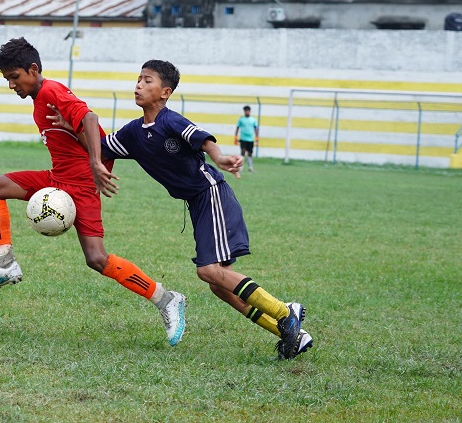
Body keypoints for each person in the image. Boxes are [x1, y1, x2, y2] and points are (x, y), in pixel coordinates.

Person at [53, 60, 311, 359]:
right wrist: (71, 127)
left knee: (209, 271)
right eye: (138, 79)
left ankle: (285, 311)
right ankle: (292, 334)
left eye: (147, 80)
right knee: (218, 284)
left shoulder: (170, 121)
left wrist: (220, 157)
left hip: (210, 194)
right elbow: (99, 147)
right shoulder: (134, 132)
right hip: (198, 203)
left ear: (164, 92)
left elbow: (202, 139)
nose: (138, 85)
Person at [0, 37, 187, 347]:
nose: (11, 85)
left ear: (33, 69)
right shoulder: (38, 99)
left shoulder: (52, 91)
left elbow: (89, 118)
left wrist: (97, 165)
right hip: (56, 178)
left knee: (97, 259)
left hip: (82, 185)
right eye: (7, 79)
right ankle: (5, 263)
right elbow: (80, 130)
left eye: (14, 77)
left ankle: (167, 299)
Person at [234, 105, 259, 172]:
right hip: (243, 139)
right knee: (243, 152)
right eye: (246, 111)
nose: (247, 112)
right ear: (244, 111)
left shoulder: (253, 120)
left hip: (250, 139)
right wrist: (236, 137)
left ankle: (250, 167)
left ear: (250, 111)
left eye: (248, 111)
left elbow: (256, 129)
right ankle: (241, 167)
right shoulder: (241, 119)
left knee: (250, 153)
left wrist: (257, 137)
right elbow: (237, 128)